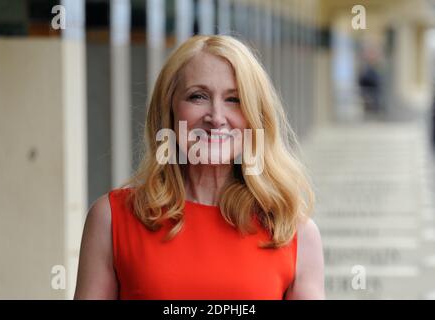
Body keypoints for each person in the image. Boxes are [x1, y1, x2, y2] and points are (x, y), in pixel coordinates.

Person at [74, 35, 325, 300]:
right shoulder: (111, 219)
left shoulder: (294, 233)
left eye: (234, 99)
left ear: (255, 117)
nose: (216, 118)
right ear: (169, 109)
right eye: (198, 96)